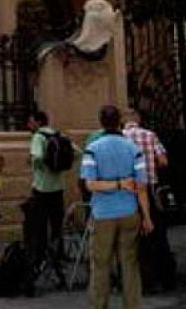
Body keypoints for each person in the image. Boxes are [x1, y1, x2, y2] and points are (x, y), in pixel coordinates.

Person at [80, 105, 153, 309]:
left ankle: (99, 306)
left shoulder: (92, 148)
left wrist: (115, 184)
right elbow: (141, 187)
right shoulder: (133, 149)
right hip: (129, 212)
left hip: (103, 213)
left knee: (101, 266)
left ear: (101, 122)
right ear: (119, 121)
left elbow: (90, 184)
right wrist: (146, 216)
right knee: (129, 265)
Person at [123, 109, 174, 293]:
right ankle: (166, 278)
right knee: (158, 234)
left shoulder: (121, 138)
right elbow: (163, 161)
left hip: (129, 192)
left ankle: (145, 281)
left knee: (136, 238)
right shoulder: (150, 135)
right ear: (138, 119)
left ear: (124, 120)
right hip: (150, 188)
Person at [25, 110, 67, 279]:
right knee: (57, 226)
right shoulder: (59, 135)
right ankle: (58, 258)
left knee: (39, 228)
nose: (28, 124)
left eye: (30, 121)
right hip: (58, 188)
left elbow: (37, 157)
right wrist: (59, 166)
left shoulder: (38, 137)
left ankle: (39, 260)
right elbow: (77, 153)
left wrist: (37, 164)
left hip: (41, 189)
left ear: (38, 122)